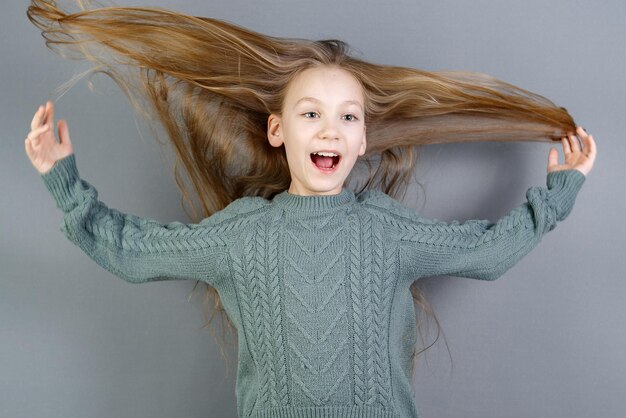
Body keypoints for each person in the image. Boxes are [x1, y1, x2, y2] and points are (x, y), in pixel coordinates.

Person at [25, 1, 597, 417]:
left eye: (348, 117)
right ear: (277, 130)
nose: (330, 129)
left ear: (363, 138)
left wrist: (559, 192)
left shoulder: (385, 230)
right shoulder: (242, 237)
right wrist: (62, 178)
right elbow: (133, 251)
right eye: (311, 114)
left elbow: (489, 252)